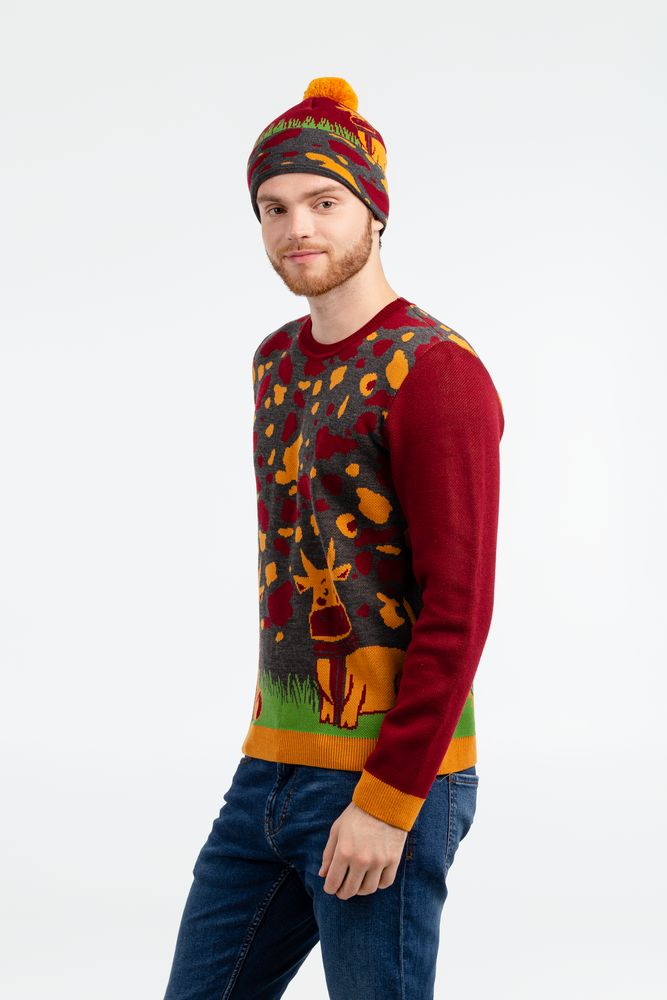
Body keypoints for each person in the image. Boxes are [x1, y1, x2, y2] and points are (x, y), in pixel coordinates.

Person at [163, 76, 505, 1000]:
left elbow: (460, 605)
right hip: (270, 765)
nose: (296, 228)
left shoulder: (435, 372)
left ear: (374, 213)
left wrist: (389, 802)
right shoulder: (274, 361)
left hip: (388, 776)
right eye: (273, 208)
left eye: (323, 201)